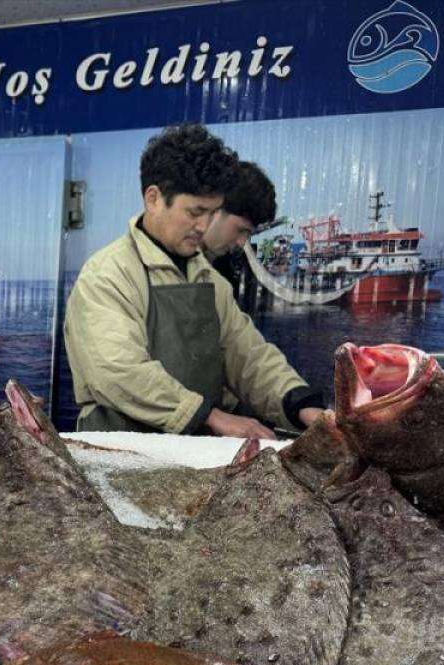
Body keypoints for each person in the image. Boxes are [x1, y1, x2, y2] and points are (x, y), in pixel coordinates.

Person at [63, 124, 323, 439]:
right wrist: (211, 417)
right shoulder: (108, 275)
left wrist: (299, 404)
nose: (203, 226)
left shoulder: (210, 280)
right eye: (195, 212)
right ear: (154, 199)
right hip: (120, 451)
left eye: (212, 213)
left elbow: (248, 356)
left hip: (193, 449)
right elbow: (117, 372)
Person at [204, 161, 275, 313]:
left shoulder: (221, 273)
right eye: (241, 230)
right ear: (215, 208)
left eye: (248, 234)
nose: (242, 242)